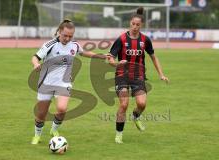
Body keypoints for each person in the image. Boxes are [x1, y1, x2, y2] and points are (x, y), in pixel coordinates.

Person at [31, 19, 106, 144]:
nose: (67, 38)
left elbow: (83, 53)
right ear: (60, 32)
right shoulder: (50, 45)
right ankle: (37, 135)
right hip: (46, 83)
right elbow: (35, 57)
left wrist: (100, 56)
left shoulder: (74, 45)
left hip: (63, 83)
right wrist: (35, 64)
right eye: (65, 35)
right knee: (41, 114)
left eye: (70, 36)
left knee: (62, 109)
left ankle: (54, 130)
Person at [107, 7, 169, 144]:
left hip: (138, 75)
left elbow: (153, 56)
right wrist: (116, 64)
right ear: (130, 23)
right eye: (133, 24)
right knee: (124, 104)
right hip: (122, 75)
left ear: (141, 25)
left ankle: (136, 116)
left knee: (141, 103)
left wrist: (161, 74)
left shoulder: (145, 40)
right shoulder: (121, 39)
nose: (135, 27)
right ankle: (119, 134)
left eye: (138, 25)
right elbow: (110, 58)